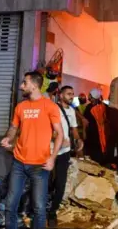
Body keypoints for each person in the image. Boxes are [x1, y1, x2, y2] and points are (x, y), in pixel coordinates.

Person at [1, 71, 64, 229]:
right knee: (10, 205)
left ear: (35, 86)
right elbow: (13, 128)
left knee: (39, 208)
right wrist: (8, 138)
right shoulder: (20, 107)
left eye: (25, 83)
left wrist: (52, 158)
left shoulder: (50, 106)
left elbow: (60, 134)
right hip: (19, 162)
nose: (21, 86)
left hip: (40, 165)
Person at [48, 86, 83, 226]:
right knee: (47, 182)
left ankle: (52, 212)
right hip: (50, 151)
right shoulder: (52, 108)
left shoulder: (72, 111)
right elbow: (47, 128)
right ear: (61, 95)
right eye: (68, 94)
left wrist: (78, 139)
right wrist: (57, 137)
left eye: (72, 94)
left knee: (61, 183)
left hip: (65, 152)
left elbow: (74, 129)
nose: (71, 96)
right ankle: (40, 207)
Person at [84, 89, 108, 164]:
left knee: (93, 154)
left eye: (90, 95)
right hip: (102, 133)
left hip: (92, 134)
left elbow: (85, 122)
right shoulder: (104, 106)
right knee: (101, 150)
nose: (88, 96)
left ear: (93, 96)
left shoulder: (89, 107)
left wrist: (84, 133)